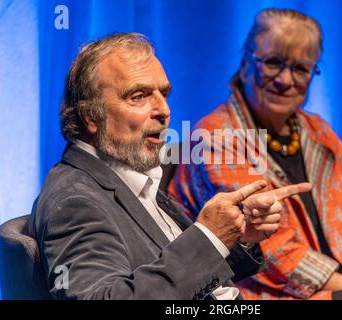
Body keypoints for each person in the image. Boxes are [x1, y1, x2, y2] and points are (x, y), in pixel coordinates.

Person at [29, 32, 312, 300]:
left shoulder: (130, 174)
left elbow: (179, 279)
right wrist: (210, 237)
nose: (164, 110)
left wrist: (237, 235)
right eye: (138, 96)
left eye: (163, 94)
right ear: (91, 116)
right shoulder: (76, 202)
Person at [168, 9, 342, 300]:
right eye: (273, 63)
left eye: (300, 68)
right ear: (246, 64)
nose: (286, 80)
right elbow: (272, 253)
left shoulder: (319, 132)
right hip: (254, 293)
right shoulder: (216, 136)